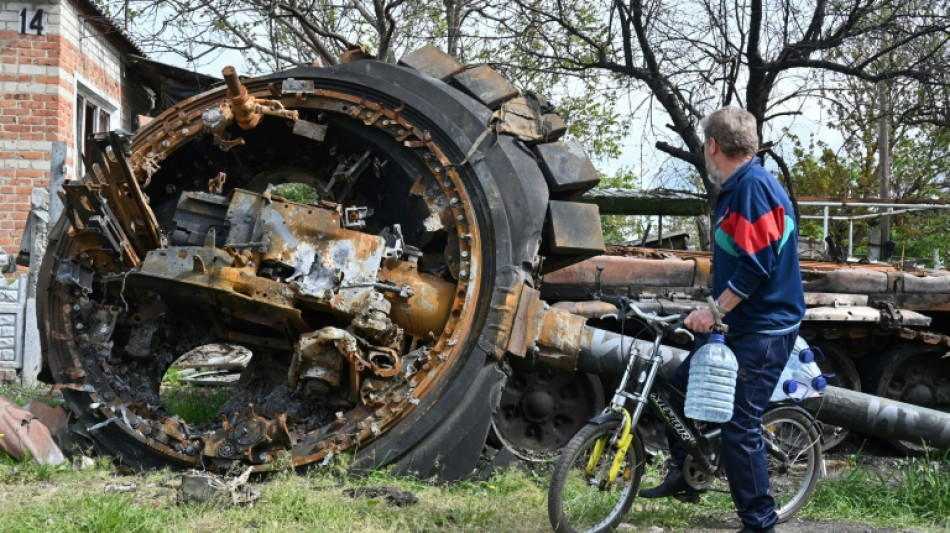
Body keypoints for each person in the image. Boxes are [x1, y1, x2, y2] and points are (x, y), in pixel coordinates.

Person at [638, 107, 806, 533]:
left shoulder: (754, 188)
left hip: (764, 328)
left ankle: (760, 522)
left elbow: (757, 265)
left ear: (712, 146)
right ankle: (685, 474)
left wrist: (713, 310)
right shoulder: (739, 187)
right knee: (676, 387)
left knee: (739, 425)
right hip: (737, 324)